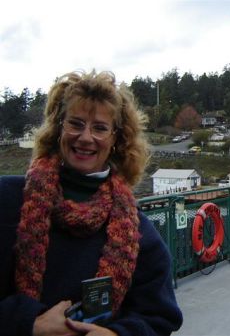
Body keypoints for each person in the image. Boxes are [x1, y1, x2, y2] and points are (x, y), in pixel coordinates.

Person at [0, 70, 183, 335]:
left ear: (116, 140)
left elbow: (159, 317)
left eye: (99, 128)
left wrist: (115, 334)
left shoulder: (139, 232)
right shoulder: (7, 200)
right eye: (75, 123)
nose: (85, 137)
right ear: (58, 128)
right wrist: (28, 324)